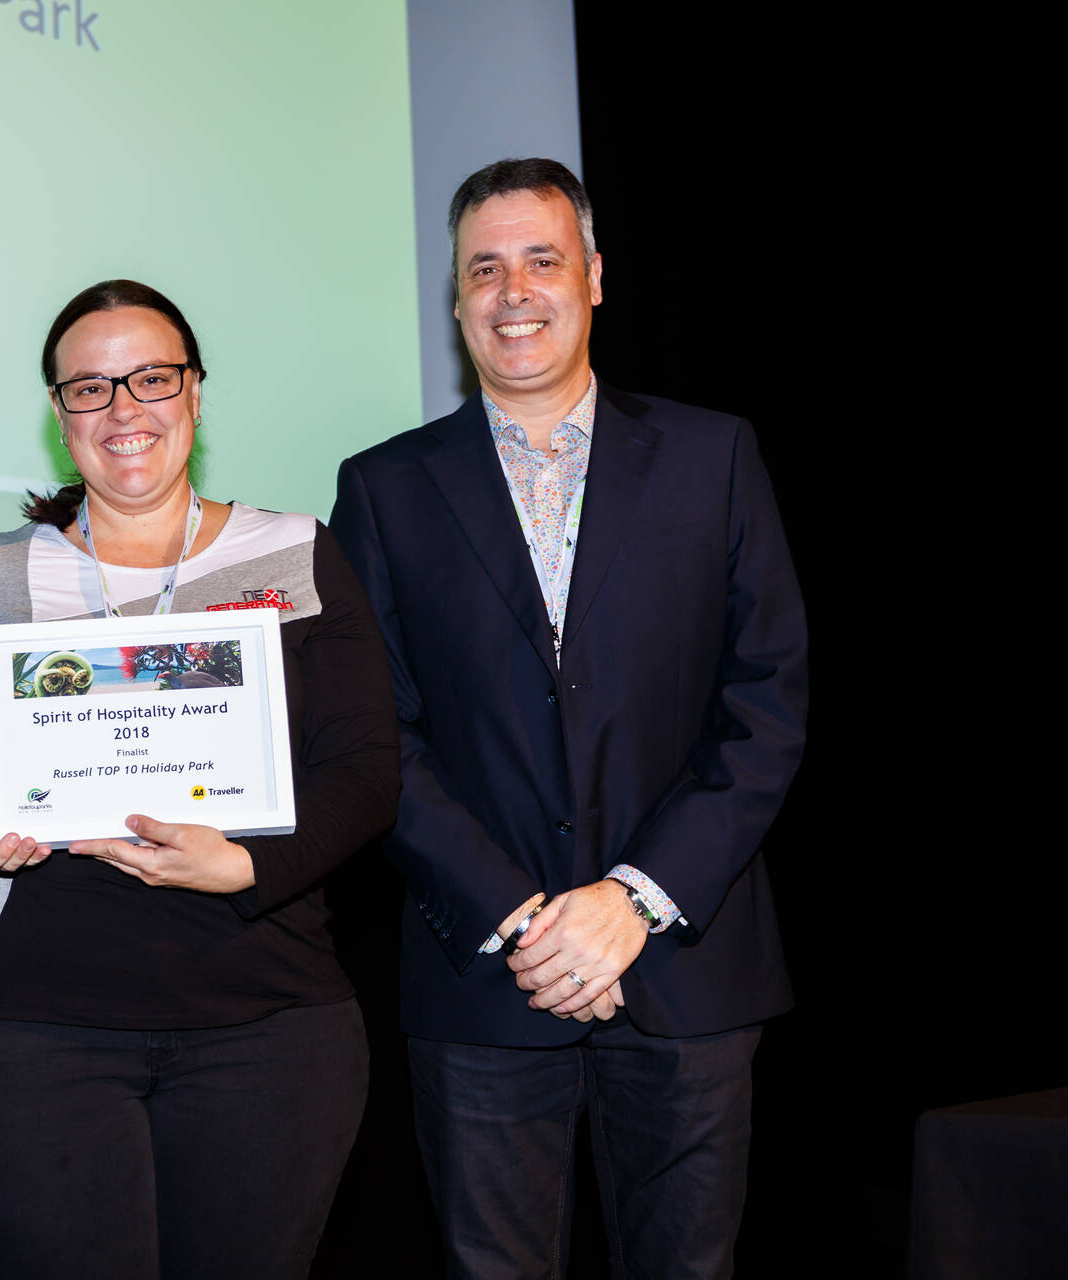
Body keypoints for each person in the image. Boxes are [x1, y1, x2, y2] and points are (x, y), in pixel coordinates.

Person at [330, 157, 807, 1278]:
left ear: (593, 276)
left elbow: (768, 698)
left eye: (541, 260)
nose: (513, 292)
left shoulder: (714, 455)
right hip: (486, 978)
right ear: (455, 300)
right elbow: (376, 732)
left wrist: (633, 900)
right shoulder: (383, 488)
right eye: (483, 269)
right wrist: (523, 920)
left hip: (687, 968)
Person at [0, 279, 399, 1280]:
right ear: (60, 415)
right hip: (24, 1029)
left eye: (151, 378)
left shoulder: (293, 551)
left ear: (194, 392)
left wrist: (246, 866)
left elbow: (364, 770)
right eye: (90, 387)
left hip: (272, 1030)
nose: (123, 408)